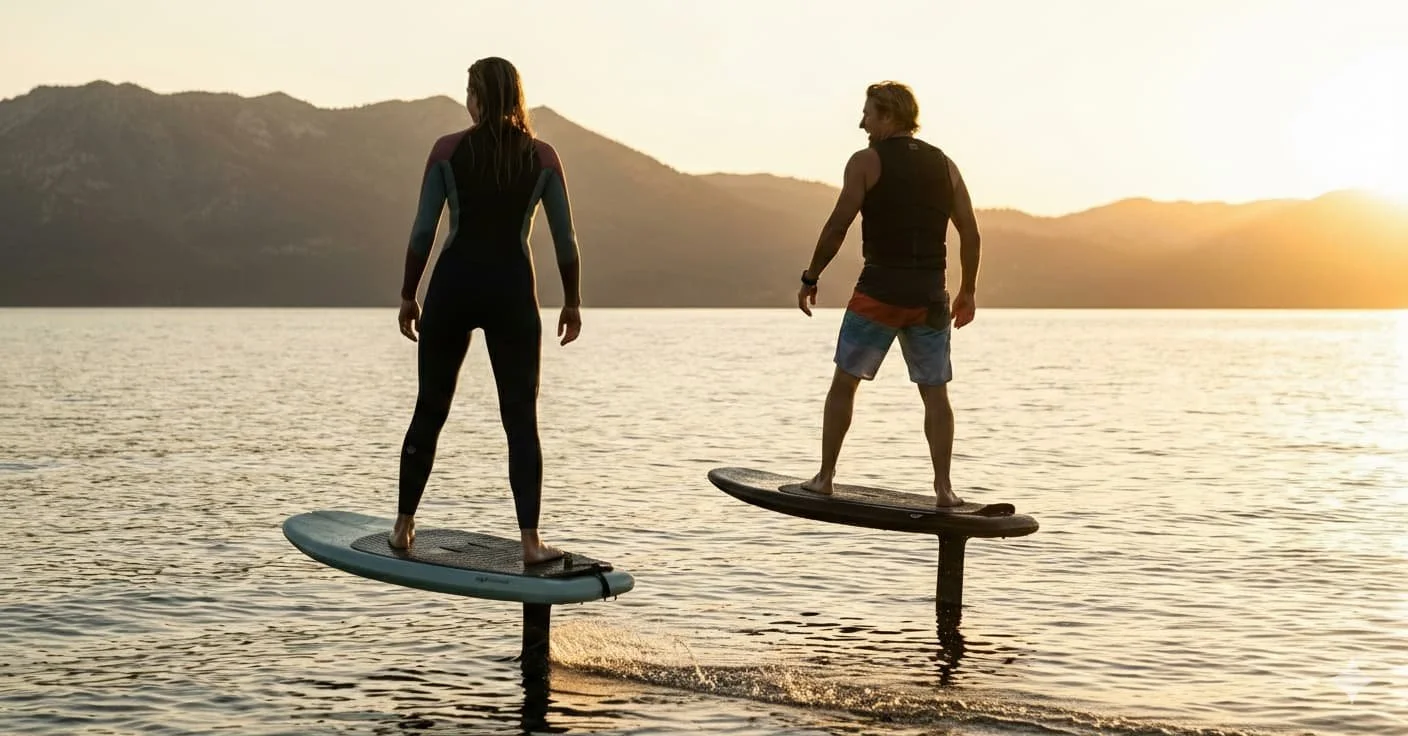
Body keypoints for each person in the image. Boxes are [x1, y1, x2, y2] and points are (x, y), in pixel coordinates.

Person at [392, 57, 582, 564]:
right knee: (520, 418)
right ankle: (530, 542)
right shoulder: (542, 157)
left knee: (430, 407)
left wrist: (409, 293)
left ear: (477, 97)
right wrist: (573, 300)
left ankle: (403, 527)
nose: (467, 101)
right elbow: (565, 238)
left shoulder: (447, 151)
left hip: (453, 286)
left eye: (468, 91)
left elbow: (422, 232)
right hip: (513, 293)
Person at [796, 81, 981, 507]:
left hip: (879, 293)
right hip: (931, 297)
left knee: (844, 384)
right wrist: (968, 291)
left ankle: (824, 478)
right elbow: (969, 230)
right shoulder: (946, 165)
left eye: (868, 113)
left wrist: (811, 277)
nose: (862, 122)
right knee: (935, 393)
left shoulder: (867, 161)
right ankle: (944, 490)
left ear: (889, 116)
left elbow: (838, 223)